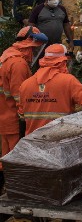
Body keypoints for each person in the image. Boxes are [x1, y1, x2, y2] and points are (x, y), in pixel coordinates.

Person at [0, 27, 47, 187]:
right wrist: (24, 118)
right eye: (34, 49)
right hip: (13, 117)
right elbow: (19, 95)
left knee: (6, 156)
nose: (35, 53)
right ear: (29, 45)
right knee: (15, 158)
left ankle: (6, 187)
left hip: (4, 115)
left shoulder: (7, 55)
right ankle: (16, 189)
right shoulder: (18, 63)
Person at [19, 44, 82, 136]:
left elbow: (22, 118)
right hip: (61, 140)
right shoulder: (69, 81)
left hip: (34, 142)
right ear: (63, 61)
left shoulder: (25, 85)